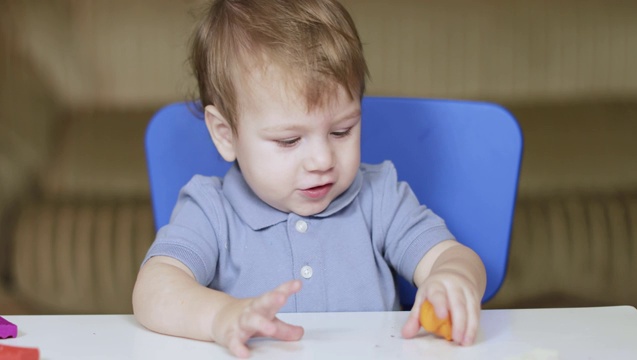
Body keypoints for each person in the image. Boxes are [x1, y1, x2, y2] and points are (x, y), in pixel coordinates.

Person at [132, 0, 486, 357]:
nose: (322, 160)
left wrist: (452, 279)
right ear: (225, 134)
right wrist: (219, 316)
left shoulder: (380, 197)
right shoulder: (210, 211)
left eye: (342, 131)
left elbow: (452, 256)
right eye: (289, 140)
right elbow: (153, 290)